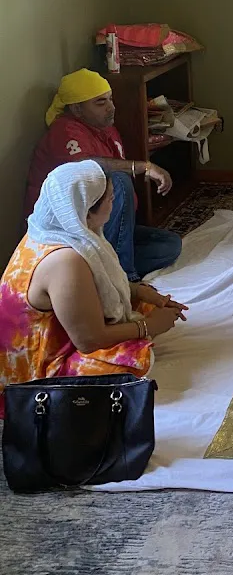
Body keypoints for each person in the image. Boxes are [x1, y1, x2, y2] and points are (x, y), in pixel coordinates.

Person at [0, 161, 187, 413]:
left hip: (59, 330)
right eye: (110, 199)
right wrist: (148, 327)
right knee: (128, 358)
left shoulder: (51, 228)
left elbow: (99, 286)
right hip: (35, 372)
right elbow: (89, 340)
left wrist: (138, 291)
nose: (114, 203)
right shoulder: (66, 260)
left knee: (141, 304)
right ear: (86, 211)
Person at [24, 69, 181, 280]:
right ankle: (124, 277)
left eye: (110, 99)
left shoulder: (104, 127)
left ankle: (100, 268)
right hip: (69, 234)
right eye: (101, 103)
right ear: (77, 109)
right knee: (119, 179)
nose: (112, 107)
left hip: (101, 226)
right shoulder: (65, 130)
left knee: (170, 245)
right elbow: (85, 165)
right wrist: (142, 166)